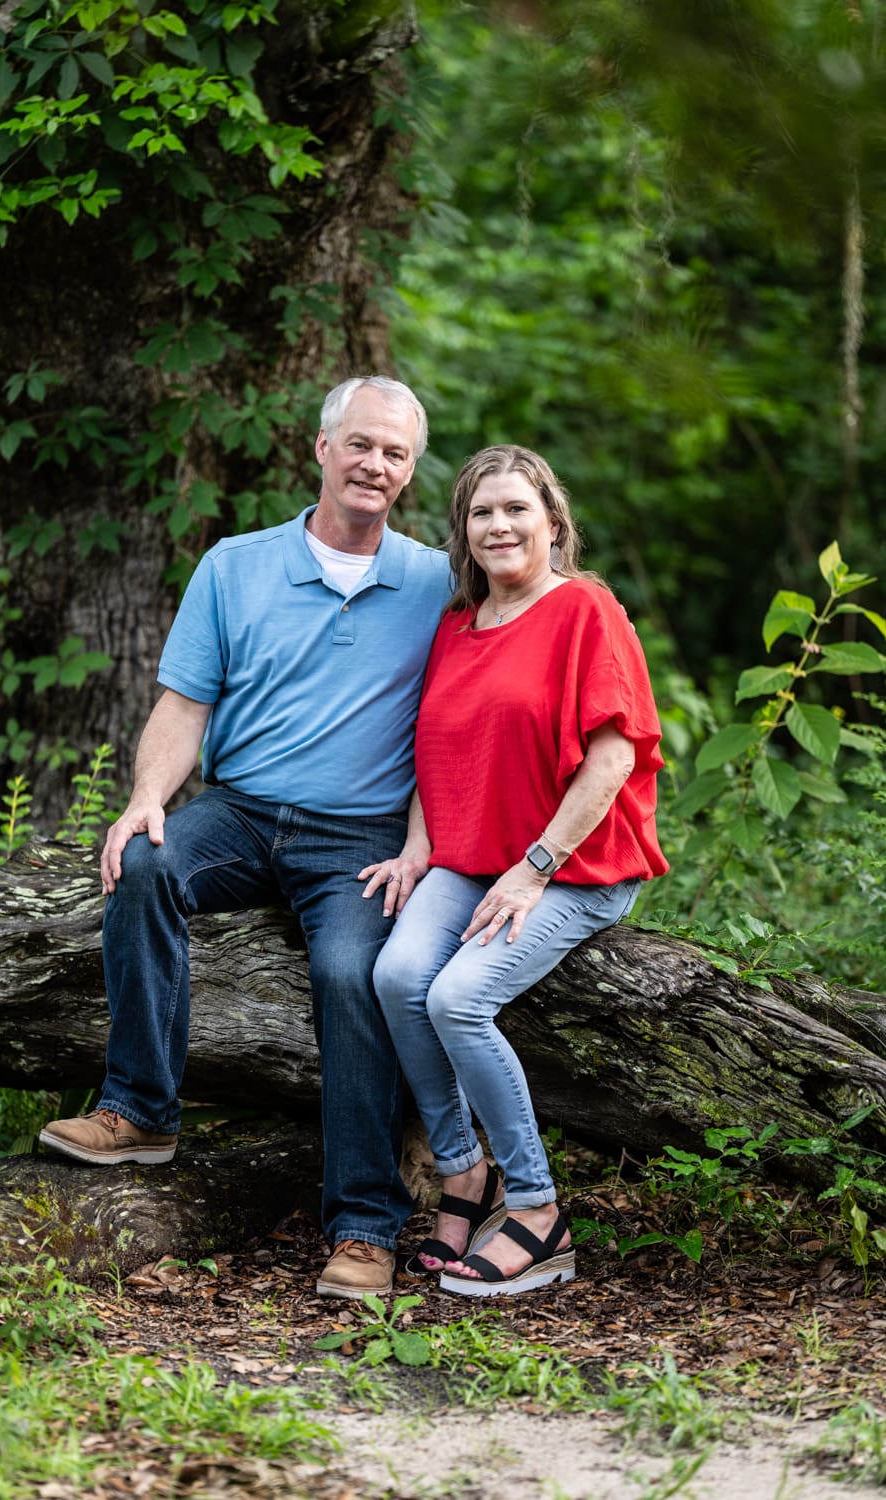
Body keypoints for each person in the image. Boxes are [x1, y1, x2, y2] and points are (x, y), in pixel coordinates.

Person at [39, 376, 452, 1301]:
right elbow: (184, 705)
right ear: (321, 449)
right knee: (142, 862)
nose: (374, 465)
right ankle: (139, 1110)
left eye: (394, 454)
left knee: (354, 975)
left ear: (410, 472)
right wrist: (149, 795)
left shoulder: (435, 581)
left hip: (362, 837)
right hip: (242, 812)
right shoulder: (234, 565)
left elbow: (460, 720)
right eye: (360, 444)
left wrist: (427, 843)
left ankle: (364, 1229)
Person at [362, 444, 668, 1297]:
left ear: (552, 521)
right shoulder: (458, 627)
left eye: (516, 509)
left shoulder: (584, 611)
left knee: (460, 998)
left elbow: (610, 764)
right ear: (464, 532)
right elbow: (436, 754)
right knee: (395, 976)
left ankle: (537, 1210)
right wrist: (420, 846)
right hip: (471, 858)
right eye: (481, 512)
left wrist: (534, 869)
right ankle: (465, 1174)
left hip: (574, 866)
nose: (499, 525)